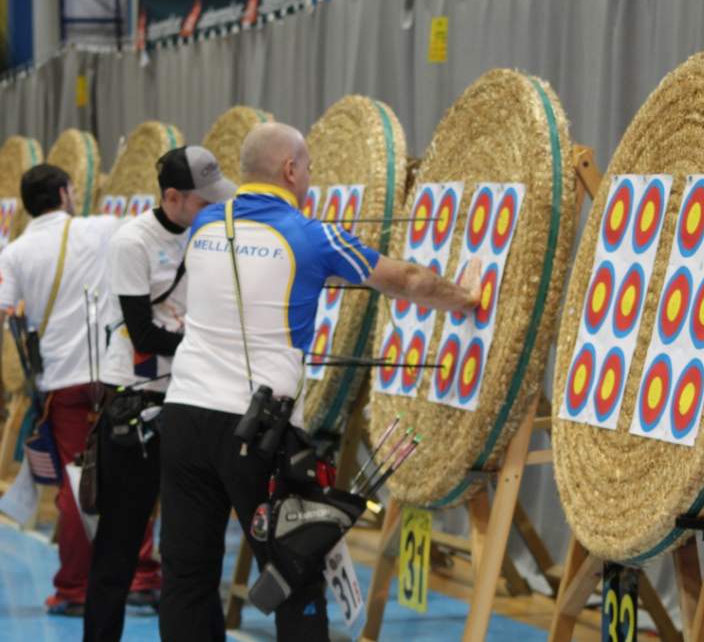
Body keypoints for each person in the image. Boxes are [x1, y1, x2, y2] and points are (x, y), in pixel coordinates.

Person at [158, 122, 481, 641]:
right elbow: (407, 281)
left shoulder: (204, 224)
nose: (308, 179)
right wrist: (463, 297)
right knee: (294, 573)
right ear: (290, 169)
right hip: (257, 434)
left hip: (183, 418)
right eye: (307, 169)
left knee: (187, 576)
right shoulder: (314, 235)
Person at [83, 146, 236, 641]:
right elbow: (143, 334)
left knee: (190, 544)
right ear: (172, 197)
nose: (211, 208)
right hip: (136, 400)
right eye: (201, 200)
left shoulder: (202, 235)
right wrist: (209, 344)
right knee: (120, 544)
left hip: (188, 396)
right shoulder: (133, 242)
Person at [0, 164, 151, 616]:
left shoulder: (16, 251)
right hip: (112, 374)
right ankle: (141, 579)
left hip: (61, 385)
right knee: (129, 477)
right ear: (65, 193)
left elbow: (5, 309)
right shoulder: (102, 228)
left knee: (74, 484)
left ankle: (75, 588)